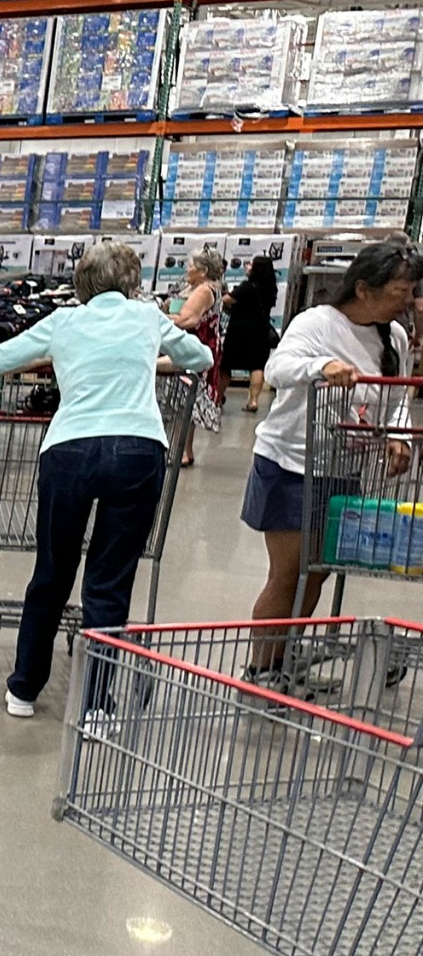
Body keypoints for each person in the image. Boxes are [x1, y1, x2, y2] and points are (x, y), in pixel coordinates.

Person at [0, 240, 212, 719]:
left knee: (52, 573)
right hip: (138, 449)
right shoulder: (147, 318)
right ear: (130, 283)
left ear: (82, 283)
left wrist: (55, 359)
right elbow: (201, 358)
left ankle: (24, 689)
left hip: (70, 450)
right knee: (108, 585)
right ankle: (96, 705)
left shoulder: (64, 321)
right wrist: (154, 362)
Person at [243, 240, 420, 659]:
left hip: (342, 470)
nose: (409, 300)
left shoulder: (394, 336)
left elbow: (396, 402)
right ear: (364, 289)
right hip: (290, 464)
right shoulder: (317, 324)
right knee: (288, 575)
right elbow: (277, 368)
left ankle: (285, 658)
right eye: (401, 289)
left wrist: (400, 438)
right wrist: (320, 367)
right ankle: (262, 670)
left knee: (317, 573)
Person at [169, 246, 227, 465]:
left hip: (195, 348)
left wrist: (159, 318)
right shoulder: (210, 288)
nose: (187, 269)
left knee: (186, 401)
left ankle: (183, 451)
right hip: (206, 346)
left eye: (191, 266)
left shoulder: (204, 291)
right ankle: (184, 450)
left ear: (203, 271)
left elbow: (188, 319)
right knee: (187, 401)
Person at [226, 254, 280, 414]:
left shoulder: (247, 286)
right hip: (261, 330)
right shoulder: (271, 287)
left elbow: (227, 300)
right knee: (257, 366)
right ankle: (253, 400)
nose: (247, 266)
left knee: (226, 365)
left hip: (239, 330)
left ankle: (217, 398)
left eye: (251, 264)